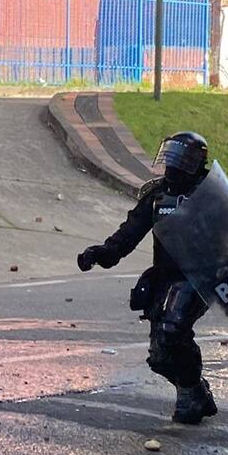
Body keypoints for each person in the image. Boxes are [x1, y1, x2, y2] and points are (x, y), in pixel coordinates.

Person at [76, 131, 218, 425]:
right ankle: (196, 389)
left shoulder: (212, 194)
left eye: (180, 161)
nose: (172, 168)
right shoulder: (157, 194)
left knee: (173, 329)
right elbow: (130, 232)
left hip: (198, 276)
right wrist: (101, 253)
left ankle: (190, 395)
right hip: (165, 275)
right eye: (170, 159)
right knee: (159, 356)